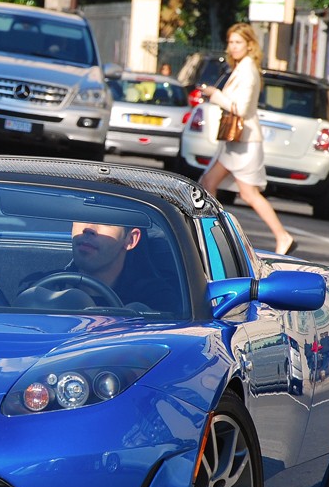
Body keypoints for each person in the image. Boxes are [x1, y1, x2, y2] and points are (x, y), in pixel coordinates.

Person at [197, 22, 295, 256]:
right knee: (208, 183)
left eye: (238, 42)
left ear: (250, 45)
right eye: (230, 42)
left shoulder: (248, 70)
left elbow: (240, 109)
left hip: (245, 143)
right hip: (237, 143)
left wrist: (215, 94)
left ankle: (282, 236)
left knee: (246, 193)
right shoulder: (242, 68)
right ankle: (210, 236)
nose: (233, 47)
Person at [18, 221, 180, 312]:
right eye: (81, 217)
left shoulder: (158, 301)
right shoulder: (41, 288)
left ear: (131, 239)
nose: (88, 228)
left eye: (106, 222)